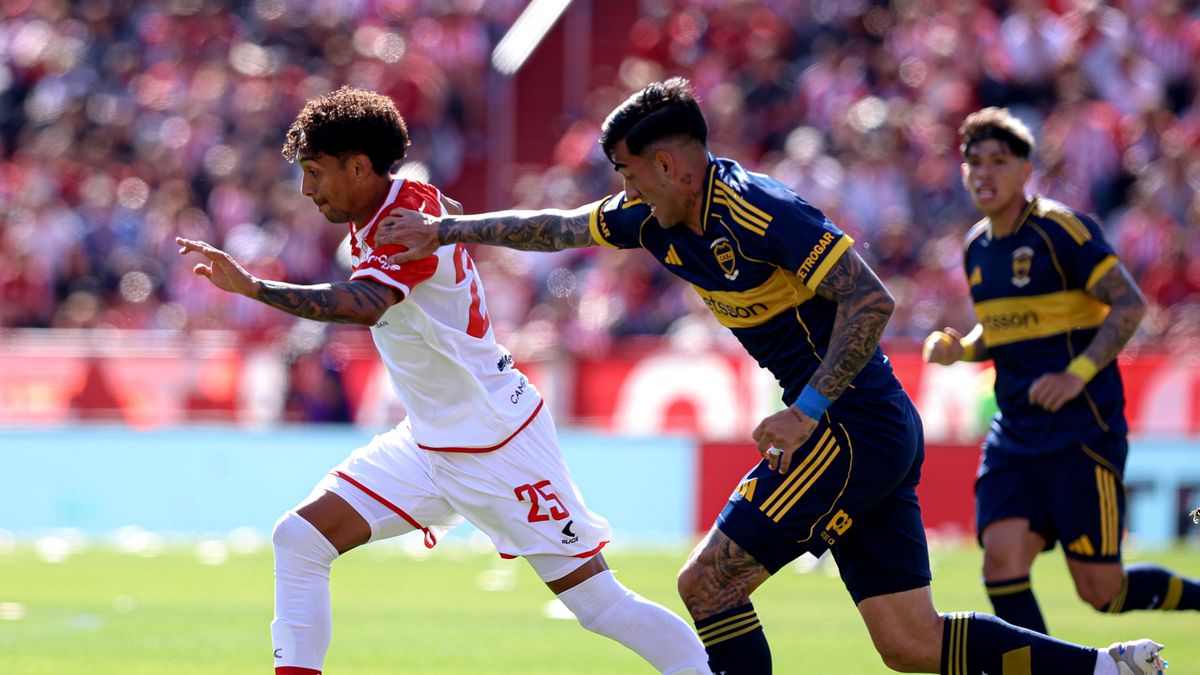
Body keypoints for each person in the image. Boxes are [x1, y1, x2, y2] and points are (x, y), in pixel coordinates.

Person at [375, 78, 1167, 675]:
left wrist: (809, 407)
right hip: (864, 428)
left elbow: (871, 298)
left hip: (848, 423)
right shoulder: (652, 216)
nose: (621, 189)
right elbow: (555, 226)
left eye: (628, 170)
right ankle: (1109, 666)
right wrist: (447, 227)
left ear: (674, 163)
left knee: (708, 585)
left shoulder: (761, 210)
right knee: (909, 643)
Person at [177, 86, 710, 675]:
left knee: (598, 605)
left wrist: (256, 289)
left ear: (359, 166)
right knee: (299, 539)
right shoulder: (390, 207)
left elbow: (363, 303)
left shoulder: (403, 225)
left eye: (315, 172)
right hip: (429, 443)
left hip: (498, 444)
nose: (307, 190)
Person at [923, 107, 1198, 636]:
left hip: (1081, 431)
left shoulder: (1060, 230)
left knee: (1102, 591)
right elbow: (1001, 334)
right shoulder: (977, 246)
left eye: (998, 161)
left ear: (1026, 170)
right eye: (973, 162)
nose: (984, 173)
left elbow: (1130, 304)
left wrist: (1076, 373)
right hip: (1016, 432)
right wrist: (963, 350)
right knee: (1000, 565)